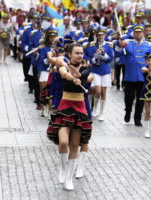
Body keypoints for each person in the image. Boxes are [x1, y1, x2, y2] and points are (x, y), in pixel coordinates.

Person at [46, 43, 93, 190]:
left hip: (80, 108)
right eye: (77, 53)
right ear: (70, 54)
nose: (80, 55)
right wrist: (71, 77)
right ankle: (62, 166)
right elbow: (63, 74)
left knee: (74, 145)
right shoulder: (64, 67)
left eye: (81, 53)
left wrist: (78, 76)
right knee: (63, 142)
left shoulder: (86, 68)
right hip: (65, 106)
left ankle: (68, 178)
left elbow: (85, 75)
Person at [118, 24, 151, 126]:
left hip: (143, 76)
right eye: (136, 32)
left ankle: (137, 118)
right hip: (130, 75)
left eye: (140, 32)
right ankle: (128, 111)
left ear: (143, 33)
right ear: (133, 34)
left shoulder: (148, 45)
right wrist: (119, 46)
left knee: (141, 98)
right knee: (128, 96)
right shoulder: (127, 44)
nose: (138, 34)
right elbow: (118, 55)